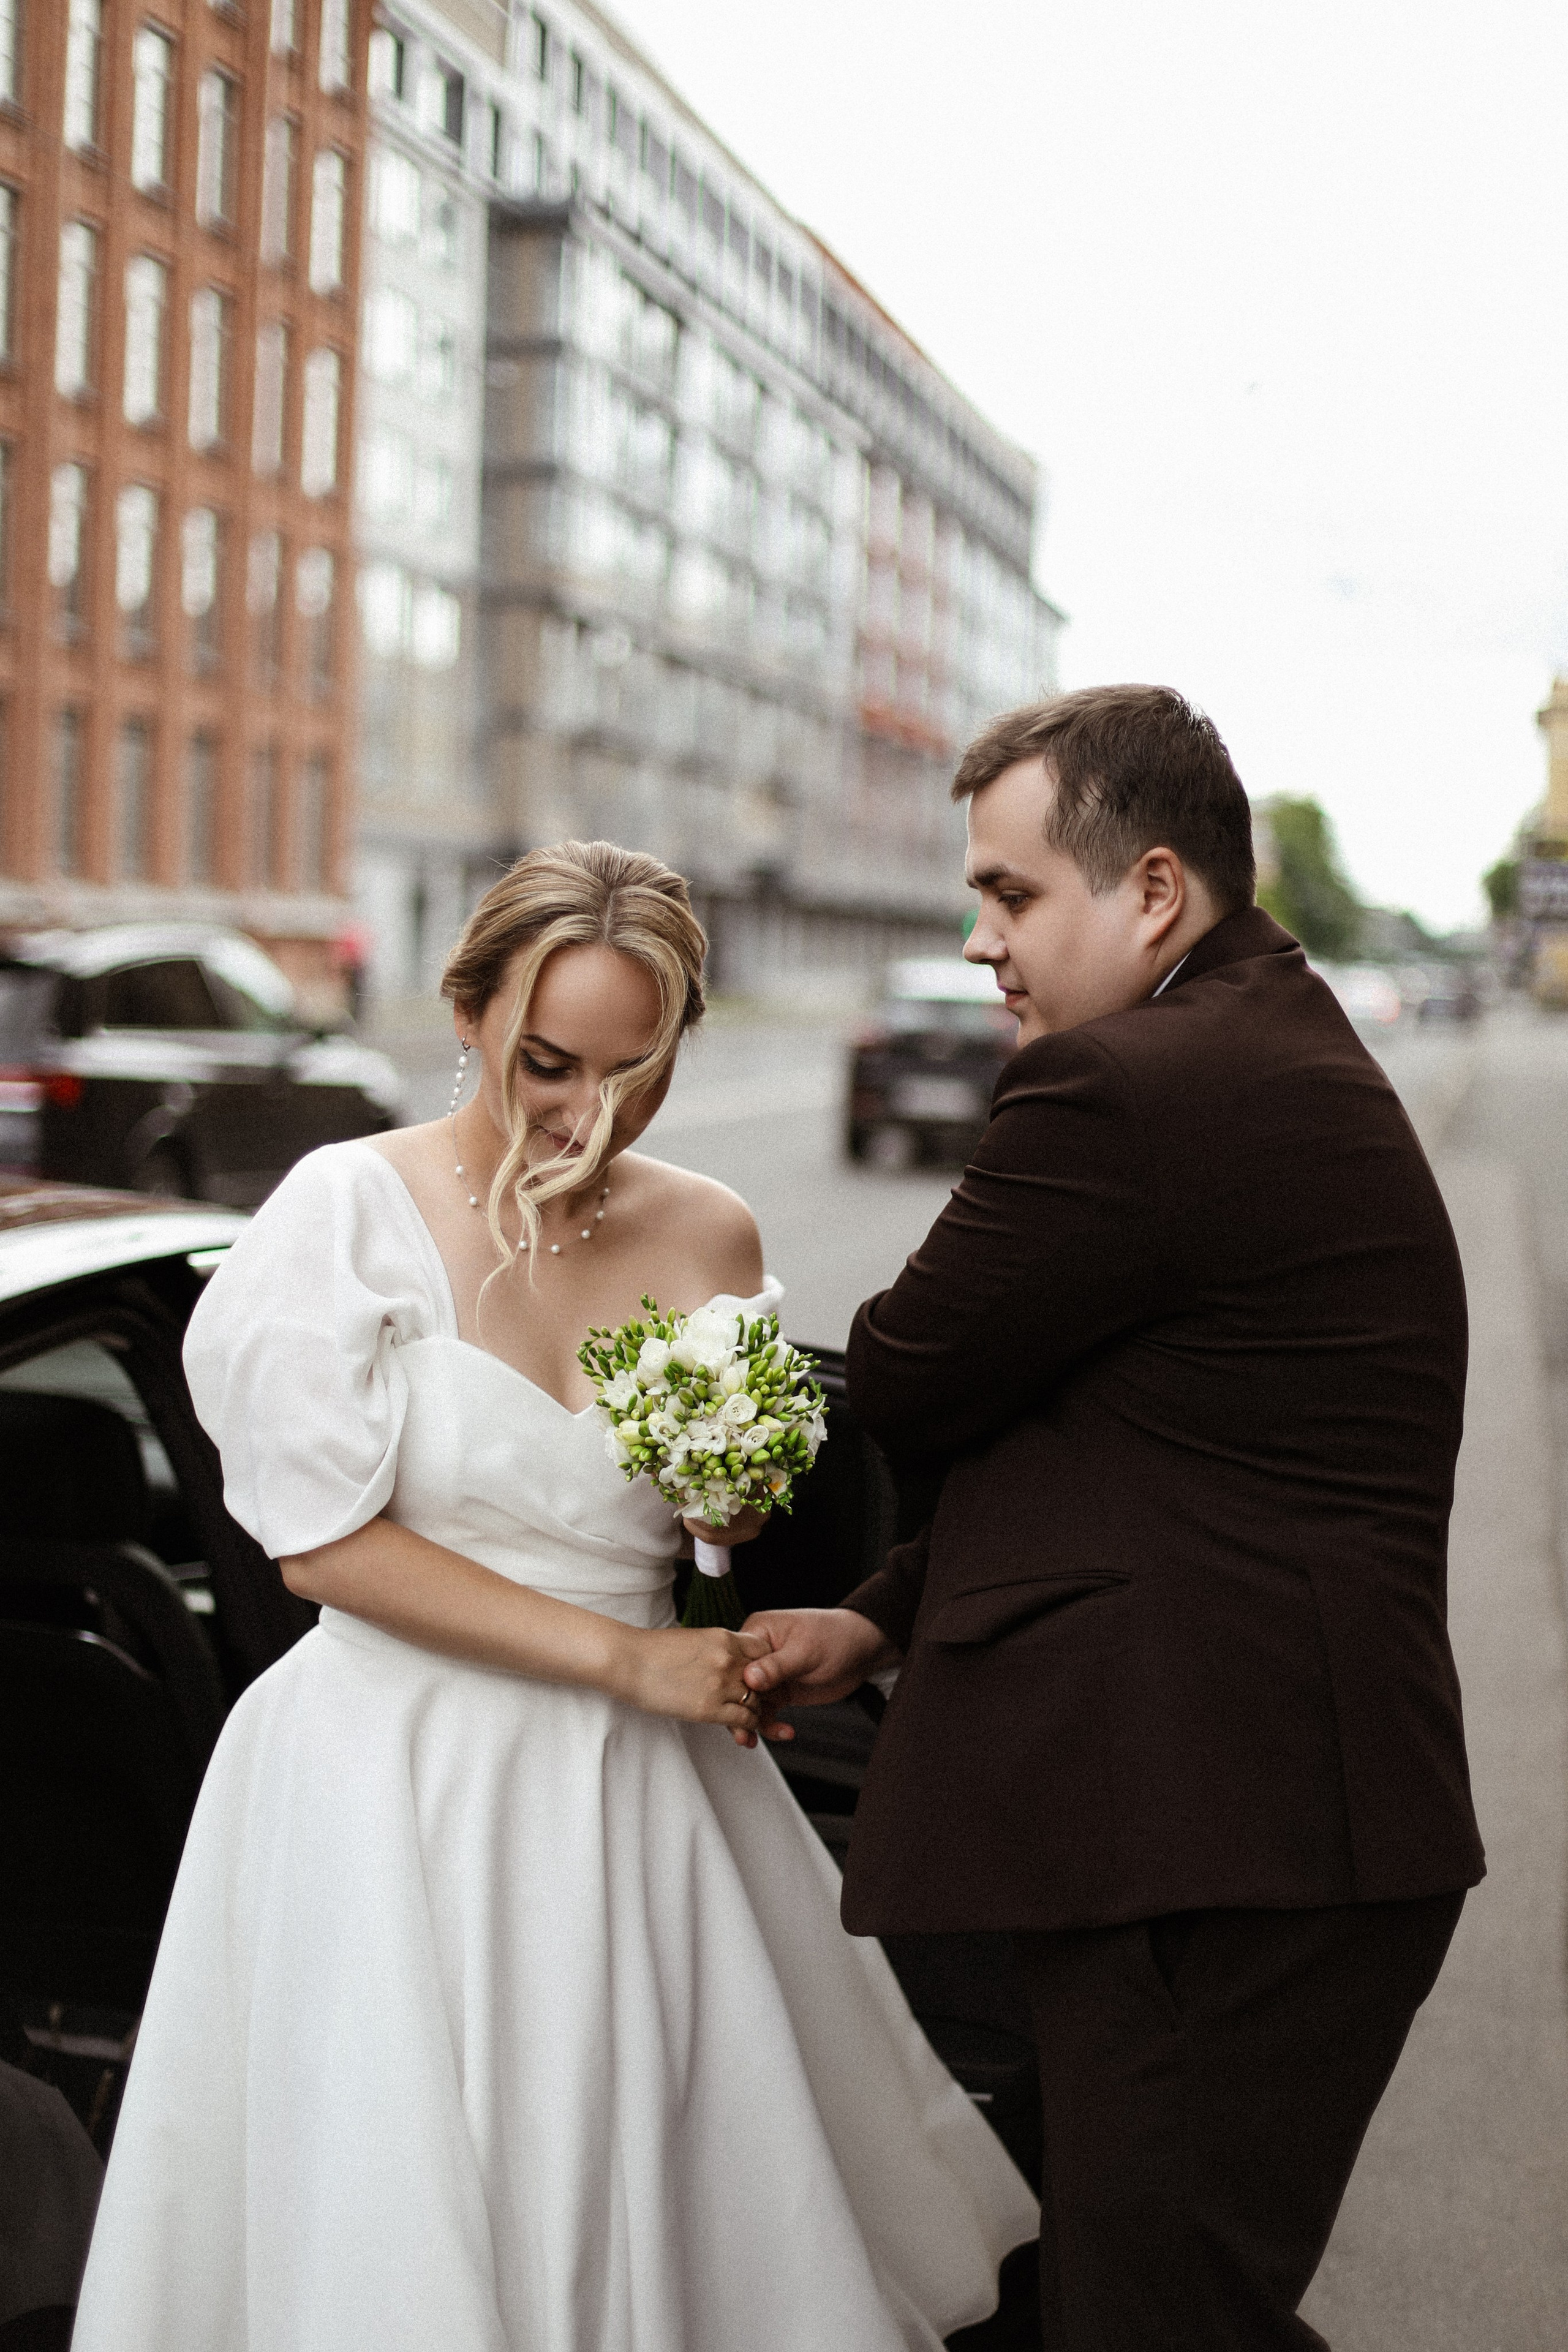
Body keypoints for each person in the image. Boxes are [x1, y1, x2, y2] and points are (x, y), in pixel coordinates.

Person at [72, 842, 1036, 2352]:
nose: (585, 1114)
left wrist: (726, 1507)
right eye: (546, 1063)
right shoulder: (341, 1212)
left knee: (654, 2201)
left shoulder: (711, 1232)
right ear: (466, 1011)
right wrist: (625, 1663)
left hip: (631, 1808)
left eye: (633, 1074)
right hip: (386, 1788)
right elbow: (322, 1548)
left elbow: (721, 1531)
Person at [744, 687, 1485, 2351]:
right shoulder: (1262, 1032)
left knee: (1149, 2317)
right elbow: (1136, 1449)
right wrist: (884, 1612)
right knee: (1150, 2299)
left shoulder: (1130, 1086)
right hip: (1267, 1826)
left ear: (1153, 892)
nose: (975, 939)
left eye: (1009, 895)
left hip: (1214, 1845)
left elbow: (911, 1372)